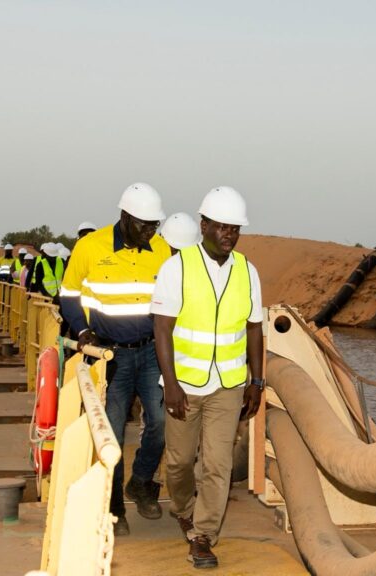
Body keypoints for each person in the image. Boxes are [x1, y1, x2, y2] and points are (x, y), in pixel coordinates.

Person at [151, 186, 264, 569]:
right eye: (222, 227)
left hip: (228, 386)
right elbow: (162, 328)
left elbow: (254, 328)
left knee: (218, 464)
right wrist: (170, 384)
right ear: (204, 226)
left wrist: (257, 381)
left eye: (235, 228)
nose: (229, 235)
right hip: (184, 385)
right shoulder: (178, 267)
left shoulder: (247, 271)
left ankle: (203, 536)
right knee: (180, 463)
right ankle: (183, 509)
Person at [59, 183, 172, 537]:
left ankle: (140, 482)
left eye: (154, 225)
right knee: (113, 430)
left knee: (161, 422)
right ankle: (114, 507)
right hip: (111, 356)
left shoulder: (161, 249)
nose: (150, 231)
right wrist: (82, 330)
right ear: (124, 216)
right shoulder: (90, 247)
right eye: (144, 224)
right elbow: (68, 293)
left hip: (151, 352)